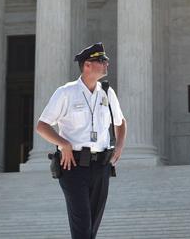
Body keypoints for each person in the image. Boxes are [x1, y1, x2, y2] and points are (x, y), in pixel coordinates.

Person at [36, 42, 126, 239]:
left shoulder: (107, 93)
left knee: (91, 228)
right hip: (73, 165)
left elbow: (120, 122)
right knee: (82, 227)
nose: (107, 64)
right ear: (87, 65)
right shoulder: (66, 92)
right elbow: (42, 126)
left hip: (101, 166)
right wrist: (64, 144)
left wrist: (119, 145)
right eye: (102, 61)